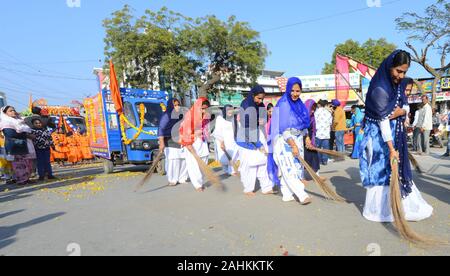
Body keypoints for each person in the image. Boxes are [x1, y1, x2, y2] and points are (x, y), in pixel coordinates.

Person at [359, 50, 433, 223]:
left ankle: (398, 206)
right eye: (398, 71)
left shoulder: (396, 86)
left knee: (395, 171)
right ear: (389, 67)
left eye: (404, 72)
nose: (400, 76)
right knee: (379, 171)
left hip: (393, 136)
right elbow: (384, 122)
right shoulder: (380, 89)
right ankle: (379, 211)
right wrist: (392, 149)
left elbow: (404, 106)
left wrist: (401, 111)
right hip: (379, 139)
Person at [268, 77, 313, 204]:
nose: (295, 94)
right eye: (292, 90)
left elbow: (303, 124)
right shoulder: (283, 104)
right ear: (288, 89)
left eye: (298, 91)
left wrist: (307, 137)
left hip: (298, 138)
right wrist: (292, 144)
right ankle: (302, 194)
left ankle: (287, 195)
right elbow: (283, 127)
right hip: (284, 140)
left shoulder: (300, 104)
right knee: (288, 167)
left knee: (297, 167)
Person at [236, 86, 274, 196]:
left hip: (259, 135)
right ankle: (248, 189)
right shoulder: (246, 105)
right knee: (251, 165)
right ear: (252, 95)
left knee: (263, 163)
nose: (260, 101)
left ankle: (266, 187)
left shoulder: (261, 105)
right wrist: (258, 144)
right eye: (258, 98)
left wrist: (263, 120)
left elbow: (265, 118)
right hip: (247, 140)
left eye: (262, 99)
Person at [179, 98, 211, 192]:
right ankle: (198, 185)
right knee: (193, 165)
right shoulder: (190, 116)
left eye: (205, 109)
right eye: (202, 108)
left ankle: (200, 181)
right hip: (192, 143)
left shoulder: (206, 116)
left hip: (203, 142)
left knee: (203, 163)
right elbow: (184, 132)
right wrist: (189, 146)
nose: (204, 111)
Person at [0, 106, 36, 185]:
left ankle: (26, 178)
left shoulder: (19, 120)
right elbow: (10, 134)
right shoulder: (6, 122)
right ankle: (21, 180)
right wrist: (26, 135)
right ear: (5, 113)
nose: (13, 112)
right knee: (18, 164)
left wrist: (27, 135)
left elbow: (25, 131)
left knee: (27, 162)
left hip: (23, 144)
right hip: (14, 145)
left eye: (14, 110)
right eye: (10, 111)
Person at [158, 98, 188, 186]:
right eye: (175, 105)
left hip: (181, 140)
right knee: (173, 160)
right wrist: (161, 143)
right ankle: (172, 179)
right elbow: (161, 129)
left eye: (178, 105)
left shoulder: (181, 115)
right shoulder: (166, 115)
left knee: (184, 159)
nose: (177, 107)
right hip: (170, 140)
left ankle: (182, 178)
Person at [213, 105, 239, 176]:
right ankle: (226, 169)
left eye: (231, 110)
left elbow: (237, 128)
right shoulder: (220, 118)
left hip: (233, 140)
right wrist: (221, 141)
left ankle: (231, 170)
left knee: (233, 155)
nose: (230, 112)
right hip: (223, 139)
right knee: (224, 157)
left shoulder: (234, 118)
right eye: (228, 110)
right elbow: (218, 131)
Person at [303, 99, 322, 182]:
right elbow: (301, 130)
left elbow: (314, 130)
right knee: (304, 158)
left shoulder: (312, 117)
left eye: (314, 109)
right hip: (303, 140)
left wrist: (312, 141)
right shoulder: (302, 116)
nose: (313, 111)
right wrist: (306, 140)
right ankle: (302, 177)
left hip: (311, 139)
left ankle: (317, 175)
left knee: (315, 156)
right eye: (312, 108)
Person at [314, 99, 333, 165]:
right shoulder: (329, 112)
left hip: (318, 133)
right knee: (325, 148)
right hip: (326, 133)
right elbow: (330, 123)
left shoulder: (317, 111)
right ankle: (325, 161)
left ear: (319, 104)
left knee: (318, 148)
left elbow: (314, 121)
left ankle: (318, 161)